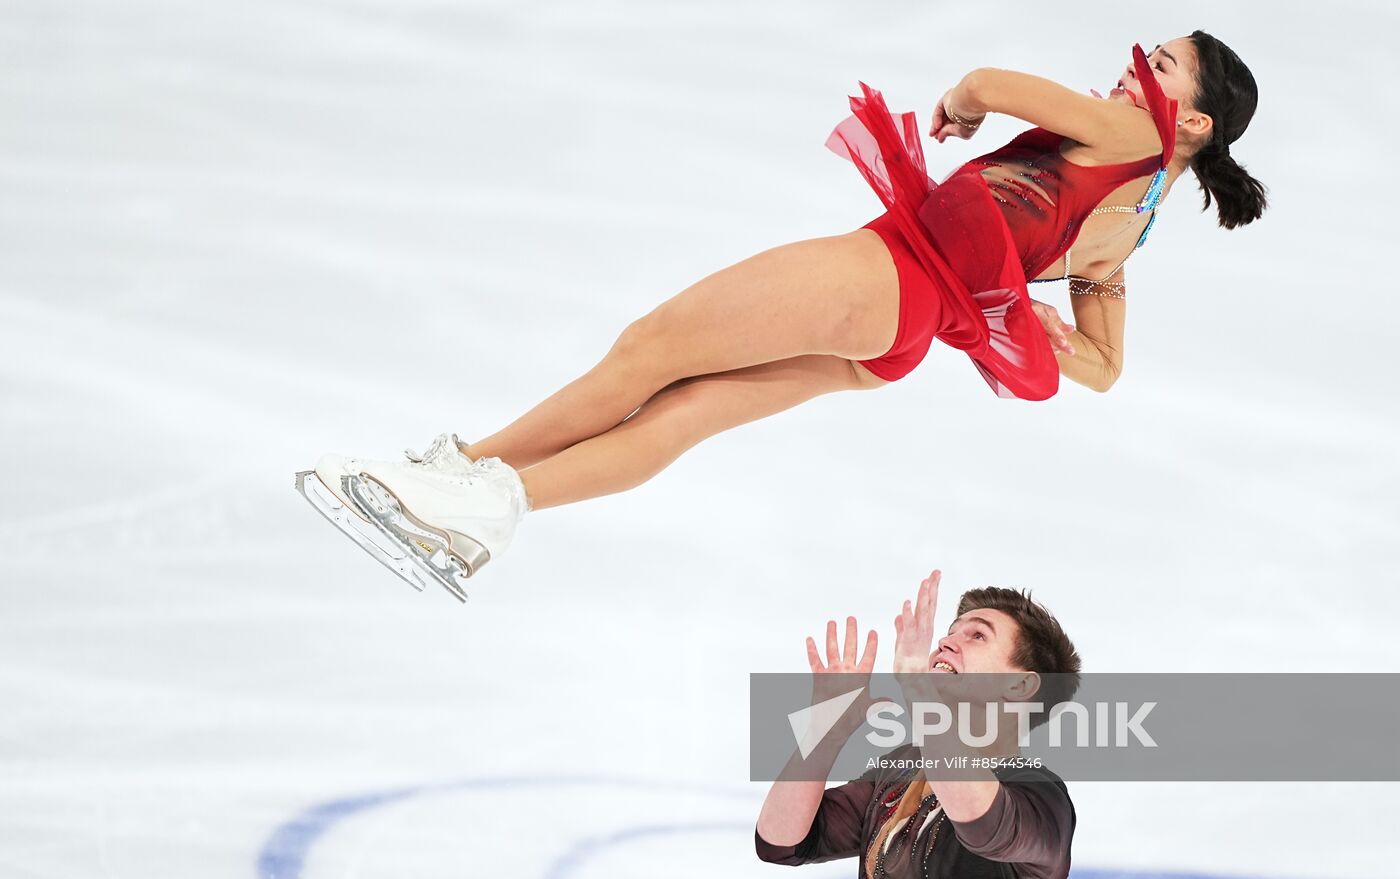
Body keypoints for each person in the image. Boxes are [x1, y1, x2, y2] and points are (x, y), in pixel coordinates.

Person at [298, 33, 1267, 596]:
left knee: (652, 352)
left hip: (891, 277)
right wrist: (1052, 336)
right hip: (899, 336)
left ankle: (464, 477)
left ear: (1190, 122)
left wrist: (960, 106)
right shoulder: (1129, 232)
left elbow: (987, 83)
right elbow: (1102, 369)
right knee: (685, 409)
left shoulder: (1132, 129)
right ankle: (483, 507)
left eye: (1163, 62)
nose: (1136, 61)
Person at [755, 572, 1083, 879]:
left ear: (1020, 686)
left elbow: (982, 821)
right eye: (950, 631)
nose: (946, 642)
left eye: (978, 636)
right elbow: (781, 842)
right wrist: (825, 731)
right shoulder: (899, 771)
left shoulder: (1041, 796)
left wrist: (917, 687)